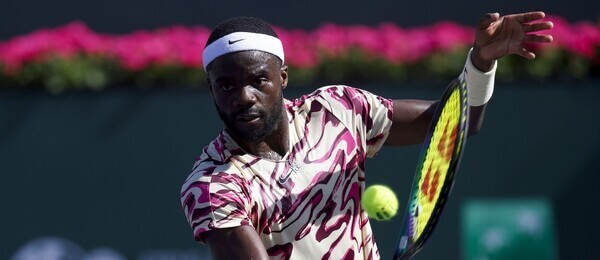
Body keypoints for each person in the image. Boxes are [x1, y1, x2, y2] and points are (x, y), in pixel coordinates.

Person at [180, 12, 553, 259]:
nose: (244, 97)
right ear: (211, 90)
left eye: (258, 80)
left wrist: (481, 63)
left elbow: (459, 124)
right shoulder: (213, 186)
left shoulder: (336, 111)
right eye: (225, 86)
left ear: (283, 78)